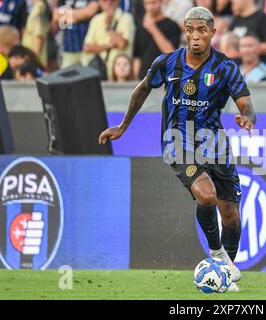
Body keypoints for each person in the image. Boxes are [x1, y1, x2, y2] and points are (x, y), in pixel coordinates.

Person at [99, 6, 256, 292]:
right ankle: (218, 256)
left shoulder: (225, 67)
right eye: (190, 30)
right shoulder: (167, 63)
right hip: (178, 140)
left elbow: (246, 103)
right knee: (206, 195)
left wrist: (246, 117)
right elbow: (142, 89)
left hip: (214, 143)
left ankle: (224, 272)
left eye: (202, 31)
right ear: (185, 31)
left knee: (231, 216)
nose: (196, 37)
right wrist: (123, 126)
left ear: (212, 33)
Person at [83, 0, 135, 79]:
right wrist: (109, 45)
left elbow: (121, 43)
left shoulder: (126, 18)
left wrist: (107, 25)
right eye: (105, 0)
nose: (108, 2)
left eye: (112, 0)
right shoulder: (96, 20)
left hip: (120, 75)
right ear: (100, 2)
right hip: (100, 73)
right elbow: (87, 47)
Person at [133, 0, 181, 80]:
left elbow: (171, 53)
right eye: (147, 3)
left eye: (153, 2)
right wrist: (136, 78)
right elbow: (137, 57)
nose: (150, 7)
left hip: (165, 77)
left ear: (161, 2)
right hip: (143, 78)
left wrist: (153, 29)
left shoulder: (172, 25)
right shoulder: (140, 27)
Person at [53, 0, 100, 68]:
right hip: (69, 49)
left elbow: (91, 11)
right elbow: (56, 16)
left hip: (89, 48)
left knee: (91, 76)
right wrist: (82, 14)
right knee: (66, 77)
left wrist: (67, 15)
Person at [22, 0, 50, 68]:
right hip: (31, 59)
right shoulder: (36, 8)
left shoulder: (40, 9)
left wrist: (33, 61)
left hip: (35, 62)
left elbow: (39, 36)